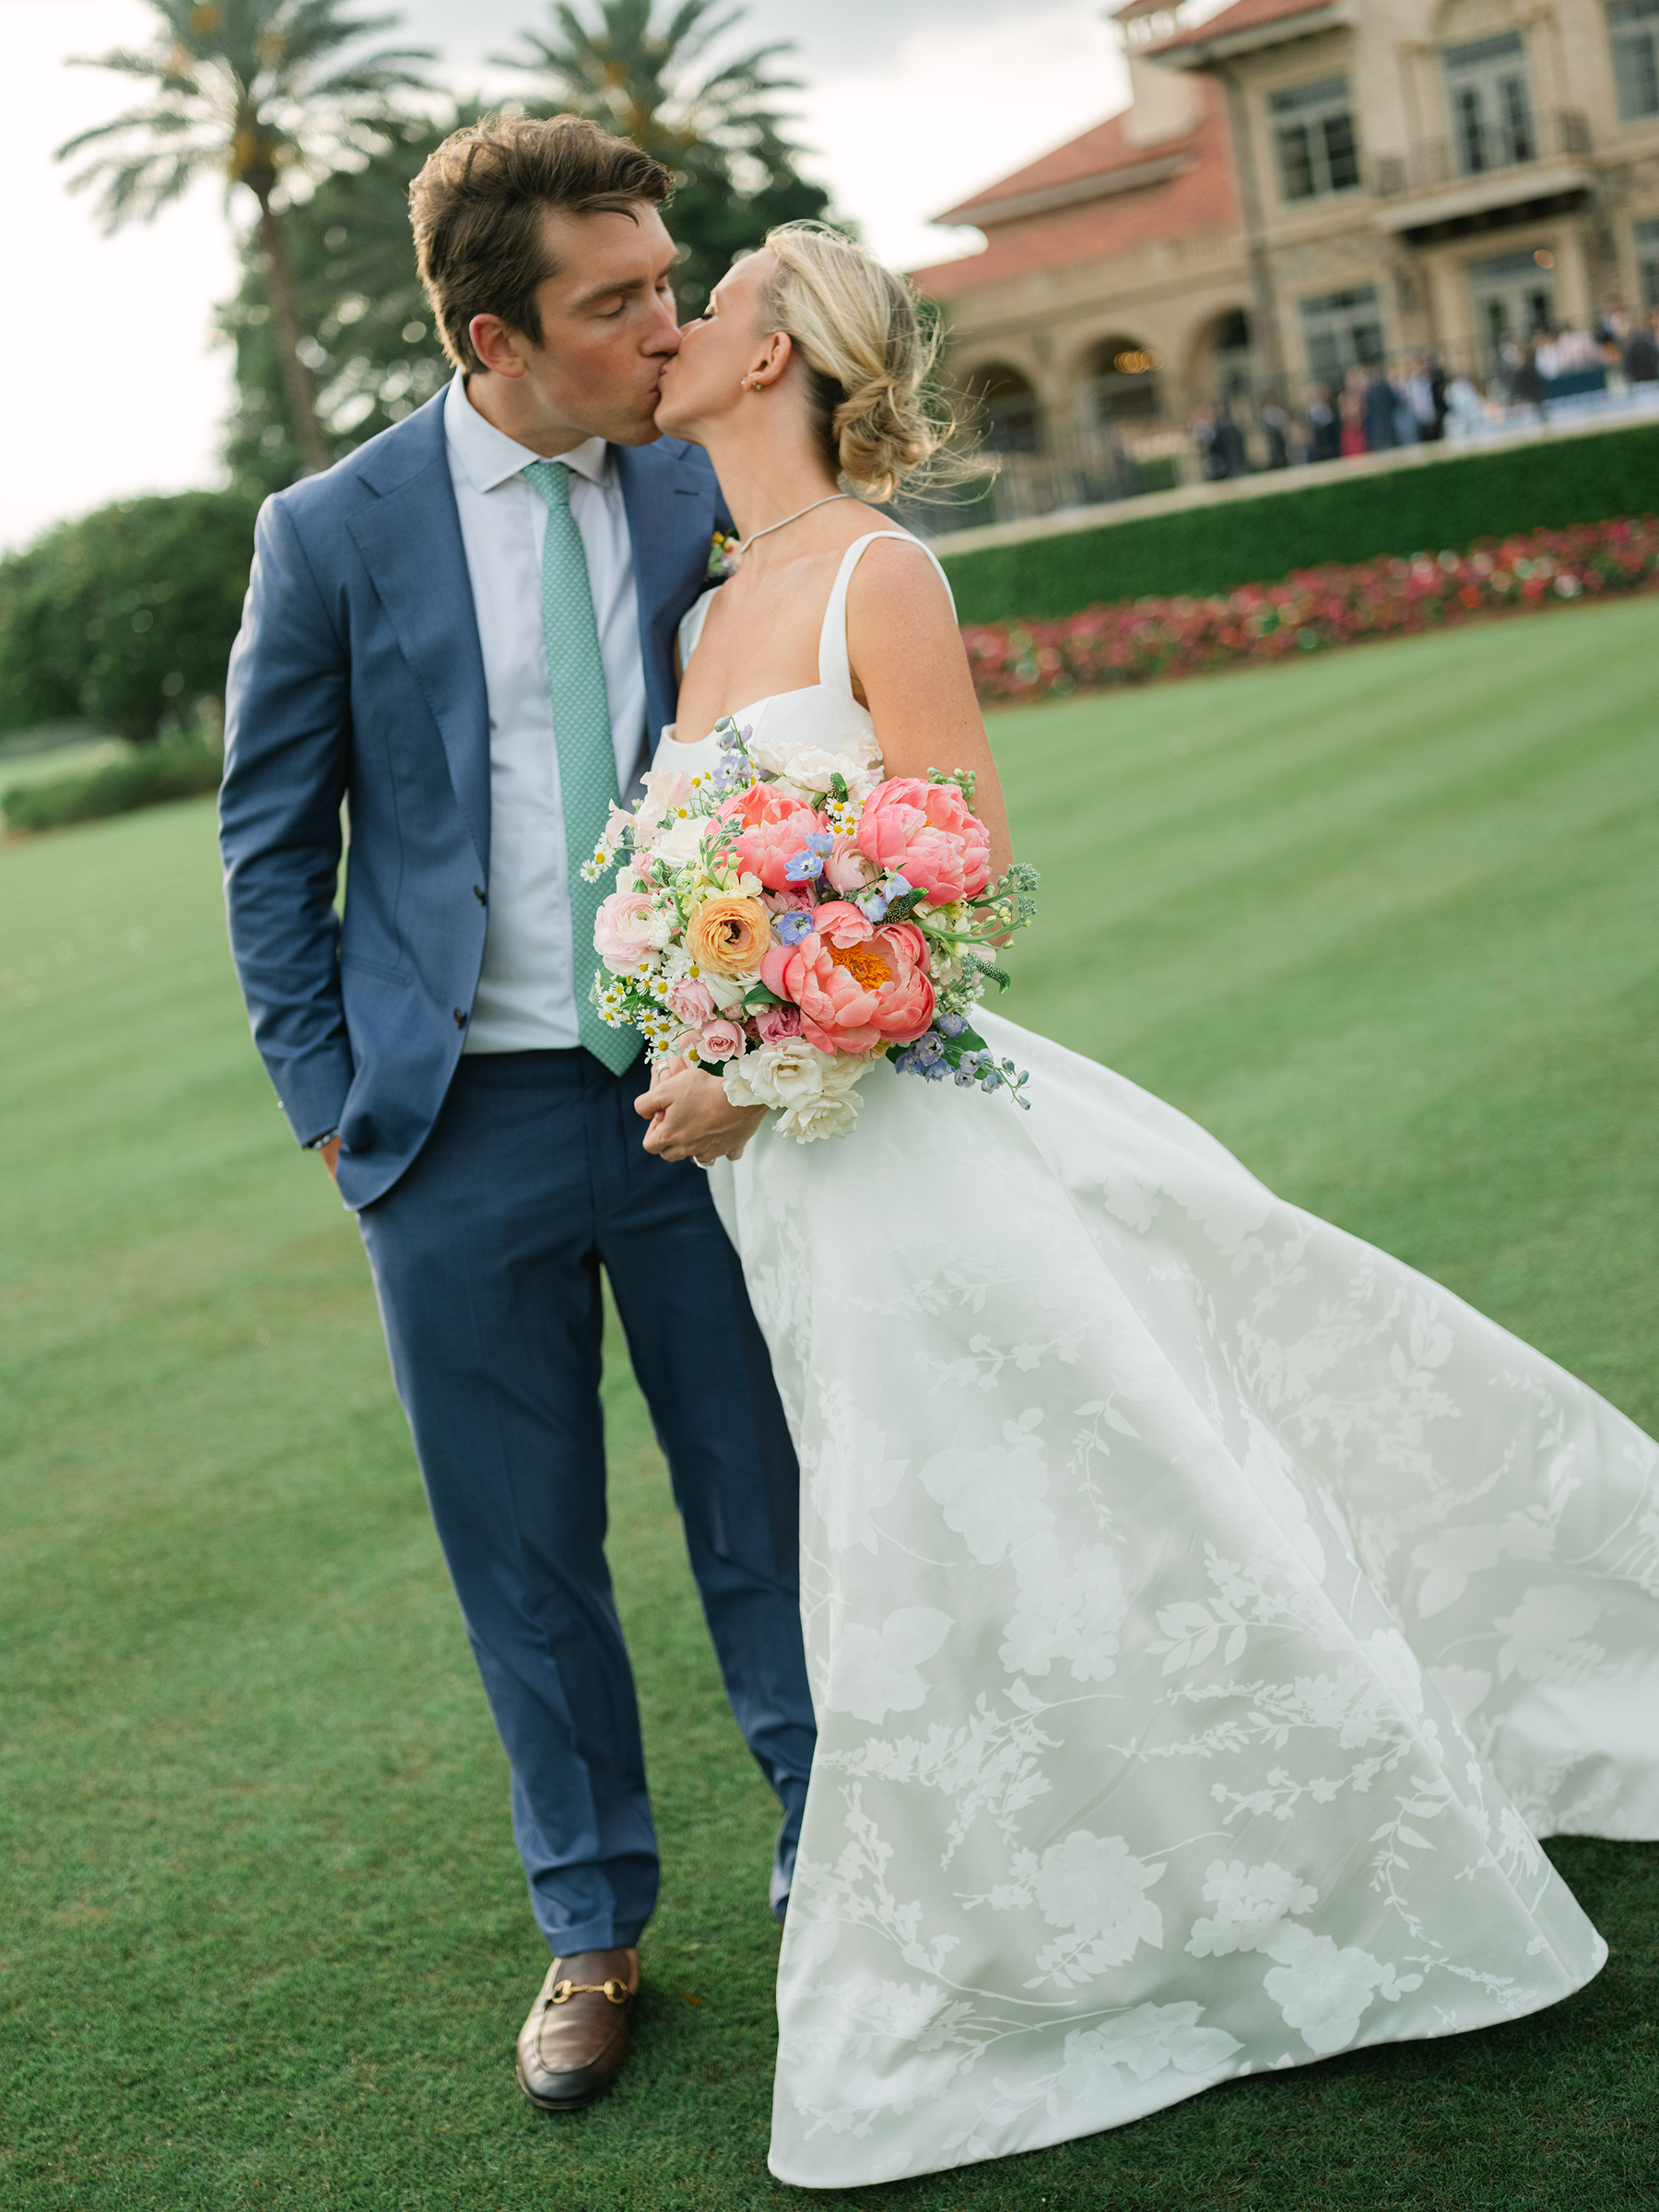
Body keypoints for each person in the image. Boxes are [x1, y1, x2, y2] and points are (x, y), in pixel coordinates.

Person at [641, 222, 1659, 2190]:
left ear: (774, 359)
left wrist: (760, 1067)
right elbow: (727, 894)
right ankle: (1077, 1876)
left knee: (1065, 1494)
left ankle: (1317, 1858)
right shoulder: (709, 608)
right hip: (794, 1191)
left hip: (891, 1149)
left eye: (709, 303)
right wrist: (702, 1018)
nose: (673, 331)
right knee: (945, 1530)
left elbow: (958, 880)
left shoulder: (878, 568)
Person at [218, 115, 817, 2118]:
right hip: (448, 1136)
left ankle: (847, 1862)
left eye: (668, 280)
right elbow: (266, 844)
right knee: (524, 1556)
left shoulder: (688, 484)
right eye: (617, 299)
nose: (668, 323)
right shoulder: (331, 529)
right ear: (494, 334)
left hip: (696, 1099)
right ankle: (594, 1928)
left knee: (771, 1502)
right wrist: (333, 1112)